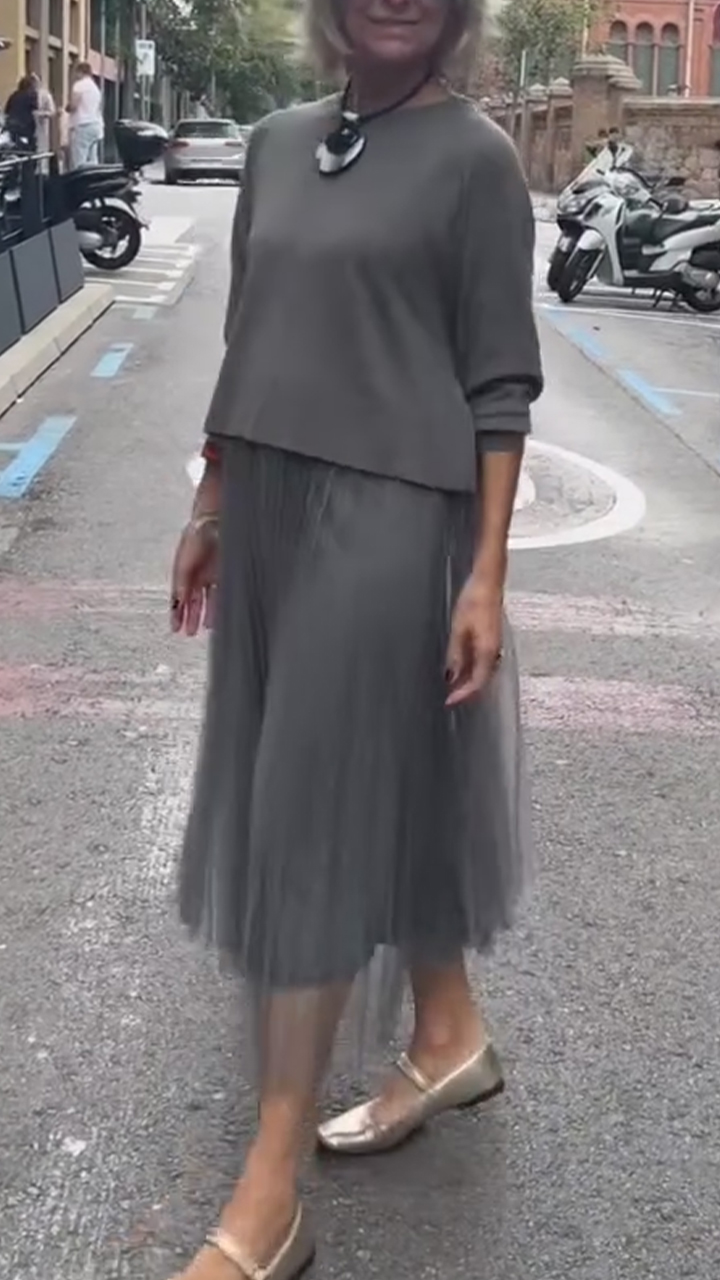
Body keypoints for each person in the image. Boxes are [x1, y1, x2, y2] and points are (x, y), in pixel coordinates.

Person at [169, 0, 543, 1275]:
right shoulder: (277, 144)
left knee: (309, 811)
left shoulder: (478, 159)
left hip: (393, 510)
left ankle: (270, 1189)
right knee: (389, 774)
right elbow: (249, 332)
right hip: (269, 501)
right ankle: (448, 1030)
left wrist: (485, 572)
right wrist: (212, 499)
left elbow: (501, 384)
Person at [67, 61, 103, 168]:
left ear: (80, 72)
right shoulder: (95, 88)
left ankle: (80, 177)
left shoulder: (79, 85)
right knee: (92, 159)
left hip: (83, 125)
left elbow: (74, 105)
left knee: (79, 159)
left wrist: (67, 107)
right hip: (95, 126)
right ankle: (94, 176)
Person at [4, 74, 38, 151]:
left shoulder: (14, 95)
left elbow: (7, 110)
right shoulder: (31, 95)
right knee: (29, 146)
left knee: (14, 143)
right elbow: (35, 107)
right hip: (25, 126)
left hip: (11, 125)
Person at [31, 73, 56, 155]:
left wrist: (41, 114)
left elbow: (52, 111)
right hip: (29, 126)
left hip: (41, 126)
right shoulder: (27, 94)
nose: (33, 83)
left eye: (35, 80)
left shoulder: (45, 95)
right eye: (32, 80)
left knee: (41, 148)